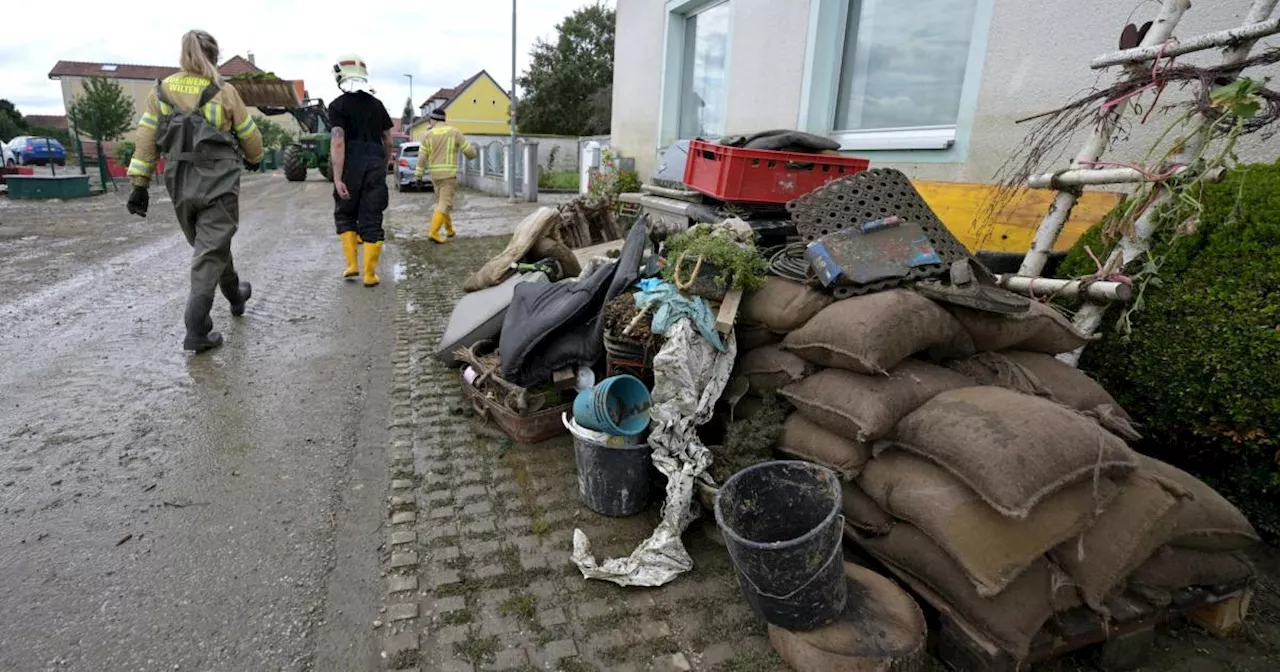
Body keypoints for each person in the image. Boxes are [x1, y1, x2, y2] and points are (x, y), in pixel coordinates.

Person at [126, 29, 263, 353]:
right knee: (209, 250)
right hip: (219, 183)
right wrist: (255, 158)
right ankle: (197, 327)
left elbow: (146, 138)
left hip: (180, 183)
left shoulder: (162, 91)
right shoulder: (224, 91)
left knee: (210, 246)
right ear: (214, 56)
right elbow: (251, 136)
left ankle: (235, 294)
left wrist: (139, 185)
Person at [329, 54, 395, 286]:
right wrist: (384, 163)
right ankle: (369, 274)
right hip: (374, 164)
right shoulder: (377, 105)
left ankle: (351, 266)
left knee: (346, 213)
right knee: (372, 218)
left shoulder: (337, 106)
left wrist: (337, 178)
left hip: (350, 166)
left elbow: (338, 142)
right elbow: (388, 140)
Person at [413, 109, 477, 244]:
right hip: (448, 175)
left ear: (433, 120)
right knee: (445, 204)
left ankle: (450, 230)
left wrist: (418, 176)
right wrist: (473, 154)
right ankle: (433, 232)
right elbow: (469, 152)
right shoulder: (454, 132)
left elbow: (421, 157)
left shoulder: (426, 135)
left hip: (435, 175)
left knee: (442, 203)